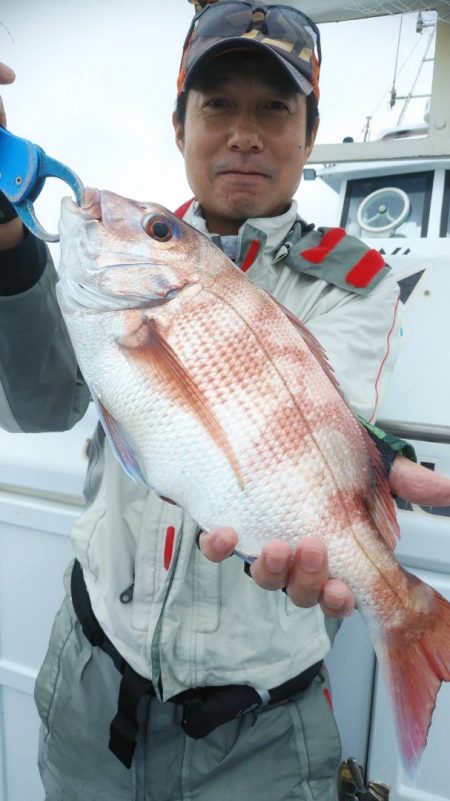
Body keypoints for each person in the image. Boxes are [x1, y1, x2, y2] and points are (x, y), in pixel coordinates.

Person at [0, 3, 450, 800]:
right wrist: (7, 242)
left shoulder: (356, 277)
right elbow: (41, 405)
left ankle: (410, 617)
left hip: (264, 727)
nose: (244, 132)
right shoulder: (120, 282)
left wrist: (381, 460)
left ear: (309, 136)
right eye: (217, 105)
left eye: (274, 108)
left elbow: (320, 425)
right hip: (91, 680)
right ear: (179, 127)